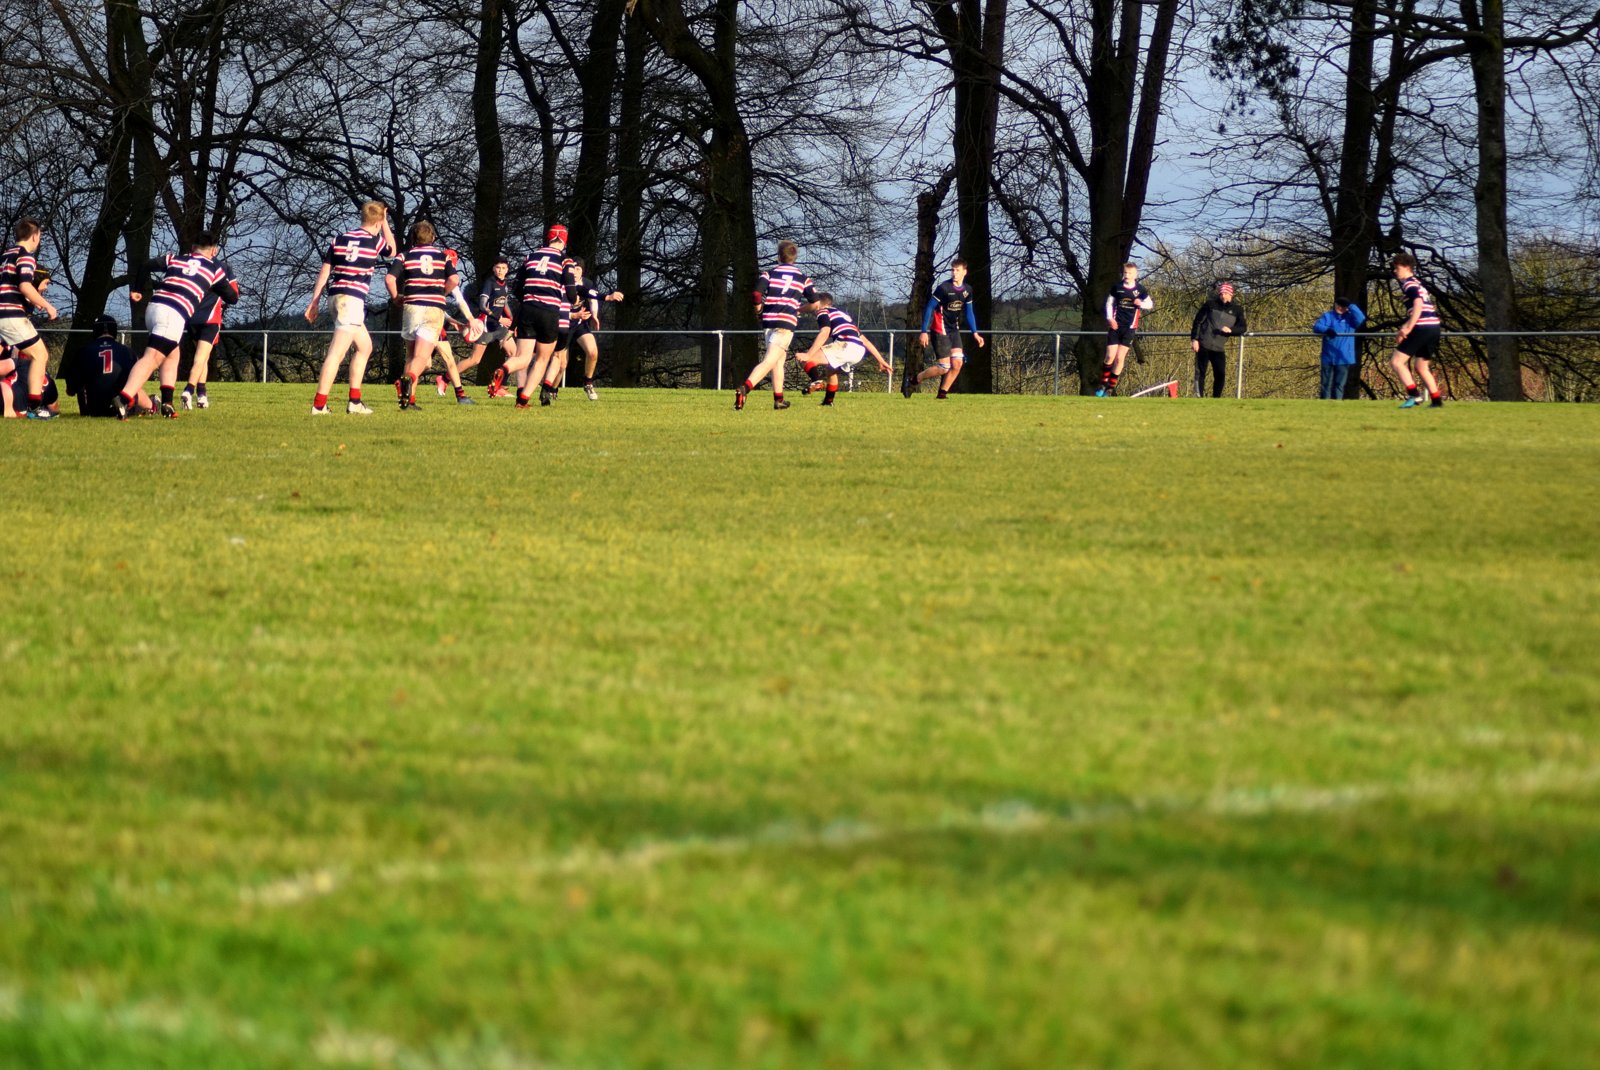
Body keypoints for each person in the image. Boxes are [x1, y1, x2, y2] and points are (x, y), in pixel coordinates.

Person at [116, 232, 239, 419]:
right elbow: (232, 298)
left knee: (173, 355)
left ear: (192, 248)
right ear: (214, 251)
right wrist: (213, 285)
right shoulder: (214, 269)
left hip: (154, 308)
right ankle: (124, 398)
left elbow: (146, 265)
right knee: (152, 358)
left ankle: (167, 404)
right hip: (173, 314)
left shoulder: (175, 259)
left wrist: (137, 289)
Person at [304, 201, 398, 415]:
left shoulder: (340, 239)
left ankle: (354, 402)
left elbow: (325, 271)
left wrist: (315, 301)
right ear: (378, 222)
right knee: (336, 354)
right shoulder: (374, 241)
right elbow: (392, 250)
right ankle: (319, 405)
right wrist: (385, 222)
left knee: (365, 347)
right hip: (352, 300)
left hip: (335, 297)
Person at [384, 223, 479, 410]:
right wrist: (442, 293)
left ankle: (408, 400)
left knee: (411, 356)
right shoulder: (442, 256)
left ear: (413, 238)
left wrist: (395, 297)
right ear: (433, 238)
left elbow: (389, 279)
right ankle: (408, 379)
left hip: (411, 307)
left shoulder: (404, 256)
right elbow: (454, 279)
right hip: (433, 309)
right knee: (422, 357)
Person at [490, 224, 570, 409]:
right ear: (564, 241)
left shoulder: (530, 257)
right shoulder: (565, 261)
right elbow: (572, 293)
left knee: (524, 357)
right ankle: (523, 401)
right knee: (542, 359)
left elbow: (517, 288)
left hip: (527, 310)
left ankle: (503, 369)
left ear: (548, 238)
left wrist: (528, 299)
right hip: (549, 313)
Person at [739, 240, 816, 411]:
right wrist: (799, 309)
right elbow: (815, 303)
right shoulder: (803, 278)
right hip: (785, 323)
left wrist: (758, 310)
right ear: (795, 257)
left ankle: (779, 400)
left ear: (779, 256)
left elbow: (756, 294)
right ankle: (745, 389)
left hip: (769, 321)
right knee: (769, 360)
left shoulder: (769, 274)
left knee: (778, 362)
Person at [0, 218, 62, 418]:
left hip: (3, 313)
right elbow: (25, 285)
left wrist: (34, 300)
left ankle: (32, 406)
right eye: (40, 236)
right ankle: (35, 407)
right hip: (11, 315)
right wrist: (48, 306)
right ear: (35, 236)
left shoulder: (6, 255)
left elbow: (12, 287)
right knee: (40, 355)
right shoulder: (26, 256)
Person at [905, 258, 984, 398]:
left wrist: (975, 333)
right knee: (944, 367)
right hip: (939, 329)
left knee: (958, 363)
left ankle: (942, 394)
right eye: (952, 270)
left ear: (964, 272)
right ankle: (913, 380)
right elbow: (929, 308)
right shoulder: (944, 288)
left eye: (957, 270)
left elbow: (969, 312)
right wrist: (924, 332)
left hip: (953, 329)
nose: (954, 273)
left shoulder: (968, 290)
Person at [796, 294, 892, 406]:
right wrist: (881, 360)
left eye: (810, 303)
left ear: (818, 303)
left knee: (804, 359)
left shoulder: (823, 311)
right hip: (859, 350)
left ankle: (816, 381)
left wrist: (808, 354)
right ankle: (828, 402)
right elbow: (865, 341)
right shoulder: (843, 315)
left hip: (845, 345)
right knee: (831, 370)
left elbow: (825, 332)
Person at [61, 315, 153, 416]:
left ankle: (151, 405)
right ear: (114, 330)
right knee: (134, 386)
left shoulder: (83, 352)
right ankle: (152, 406)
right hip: (124, 407)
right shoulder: (128, 352)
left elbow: (71, 390)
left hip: (91, 410)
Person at [180, 258, 240, 410]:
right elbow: (234, 294)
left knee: (203, 358)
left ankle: (202, 395)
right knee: (201, 358)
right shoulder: (222, 267)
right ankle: (188, 390)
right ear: (214, 249)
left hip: (191, 317)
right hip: (211, 319)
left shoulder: (188, 264)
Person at [564, 258, 623, 401]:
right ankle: (551, 390)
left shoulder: (587, 284)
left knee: (593, 352)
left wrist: (594, 316)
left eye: (578, 269)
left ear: (582, 271)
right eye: (572, 269)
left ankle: (588, 383)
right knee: (561, 363)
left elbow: (593, 298)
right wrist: (572, 314)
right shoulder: (562, 284)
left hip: (580, 323)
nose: (575, 272)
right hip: (564, 323)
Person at [1390, 252, 1444, 408]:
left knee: (1396, 362)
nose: (1395, 271)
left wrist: (1408, 328)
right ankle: (1436, 401)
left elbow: (1418, 305)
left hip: (1422, 327)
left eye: (1397, 268)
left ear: (1407, 267)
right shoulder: (1418, 283)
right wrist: (1405, 326)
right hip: (1434, 327)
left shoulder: (1409, 284)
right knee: (1421, 366)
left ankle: (1414, 395)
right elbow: (1427, 307)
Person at [457, 256, 515, 394]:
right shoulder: (490, 283)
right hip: (487, 326)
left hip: (499, 327)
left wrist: (512, 320)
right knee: (475, 360)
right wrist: (500, 319)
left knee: (514, 354)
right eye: (498, 268)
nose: (500, 270)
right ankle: (446, 377)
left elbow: (504, 303)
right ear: (494, 269)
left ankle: (499, 386)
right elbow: (483, 306)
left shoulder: (505, 284)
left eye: (503, 268)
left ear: (507, 269)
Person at [1096, 262, 1153, 397]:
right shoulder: (1117, 288)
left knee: (1119, 358)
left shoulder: (1140, 290)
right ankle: (1103, 383)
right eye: (1125, 272)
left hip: (1129, 328)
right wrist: (1110, 319)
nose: (1127, 275)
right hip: (1116, 326)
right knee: (1109, 356)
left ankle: (1110, 387)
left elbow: (1150, 304)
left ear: (1135, 275)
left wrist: (1141, 303)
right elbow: (1109, 304)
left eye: (1130, 273)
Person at [1189, 281, 1246, 398]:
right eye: (1221, 293)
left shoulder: (1237, 310)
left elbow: (1243, 327)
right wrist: (1194, 339)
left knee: (1220, 374)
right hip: (1203, 344)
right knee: (1200, 373)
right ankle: (1199, 397)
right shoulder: (1210, 304)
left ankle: (1216, 398)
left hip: (1219, 348)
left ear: (1231, 294)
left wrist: (1231, 330)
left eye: (1225, 293)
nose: (1223, 296)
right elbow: (1197, 322)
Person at [1313, 296, 1364, 400]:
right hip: (1328, 356)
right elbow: (1317, 327)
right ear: (1335, 305)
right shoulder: (1328, 316)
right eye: (1338, 305)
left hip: (1344, 357)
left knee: (1339, 384)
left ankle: (1338, 403)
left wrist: (1351, 305)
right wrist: (1327, 330)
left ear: (1347, 307)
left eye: (1343, 306)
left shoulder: (1351, 318)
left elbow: (1361, 318)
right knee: (1325, 384)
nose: (1340, 308)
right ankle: (1325, 405)